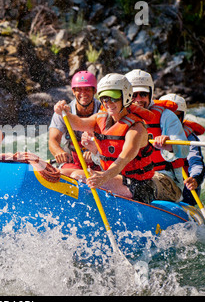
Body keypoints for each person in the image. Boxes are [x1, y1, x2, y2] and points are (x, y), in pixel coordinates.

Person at [54, 73, 155, 204]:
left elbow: (122, 160)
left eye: (113, 98)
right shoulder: (100, 117)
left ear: (126, 96)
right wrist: (65, 113)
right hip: (116, 178)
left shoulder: (136, 129)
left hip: (139, 187)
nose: (108, 103)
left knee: (77, 176)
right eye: (104, 99)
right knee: (62, 172)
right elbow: (78, 123)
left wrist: (103, 177)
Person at [125, 69, 188, 202]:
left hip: (164, 179)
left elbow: (184, 150)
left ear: (150, 94)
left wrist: (169, 145)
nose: (138, 99)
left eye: (143, 94)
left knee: (140, 186)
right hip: (128, 177)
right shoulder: (116, 118)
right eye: (133, 95)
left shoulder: (166, 116)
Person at [49, 71, 102, 175]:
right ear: (73, 91)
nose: (83, 93)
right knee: (64, 173)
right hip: (73, 163)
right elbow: (53, 140)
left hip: (100, 162)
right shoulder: (62, 113)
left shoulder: (103, 111)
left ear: (94, 91)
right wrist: (59, 152)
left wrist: (96, 152)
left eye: (87, 89)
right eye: (79, 89)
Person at [159, 93, 205, 206]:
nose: (172, 121)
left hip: (184, 190)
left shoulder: (189, 138)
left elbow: (197, 164)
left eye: (176, 116)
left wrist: (195, 179)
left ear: (183, 116)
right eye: (168, 116)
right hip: (159, 181)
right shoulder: (149, 133)